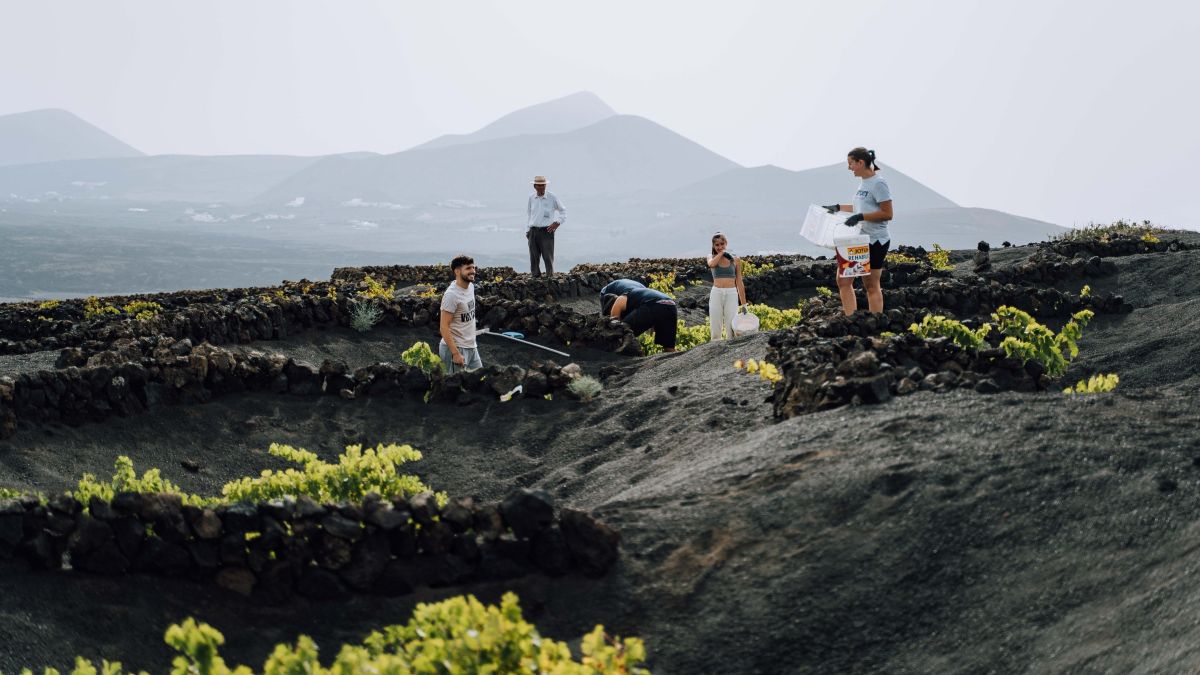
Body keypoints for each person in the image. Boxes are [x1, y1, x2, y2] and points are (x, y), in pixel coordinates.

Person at [823, 147, 894, 315]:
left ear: (861, 163)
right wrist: (838, 207)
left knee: (871, 284)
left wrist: (860, 217)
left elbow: (887, 213)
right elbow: (859, 207)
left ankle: (875, 321)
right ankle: (851, 319)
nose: (849, 168)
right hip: (859, 239)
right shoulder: (863, 183)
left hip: (876, 240)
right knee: (843, 280)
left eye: (851, 164)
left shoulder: (879, 183)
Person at [599, 279, 678, 352]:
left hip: (653, 304)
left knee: (621, 331)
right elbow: (656, 311)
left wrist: (615, 327)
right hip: (671, 305)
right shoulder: (642, 291)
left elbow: (619, 301)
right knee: (669, 348)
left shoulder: (627, 293)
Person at [438, 254, 481, 373]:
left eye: (473, 267)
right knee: (455, 388)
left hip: (472, 347)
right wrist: (455, 353)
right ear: (457, 271)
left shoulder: (470, 287)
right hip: (456, 349)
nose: (473, 271)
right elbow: (443, 327)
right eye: (468, 268)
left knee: (480, 381)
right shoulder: (451, 295)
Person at [707, 232, 747, 340]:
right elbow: (711, 264)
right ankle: (715, 351)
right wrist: (722, 253)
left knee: (731, 327)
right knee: (715, 326)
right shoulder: (711, 257)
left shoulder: (736, 260)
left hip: (731, 293)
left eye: (722, 244)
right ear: (713, 246)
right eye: (717, 245)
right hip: (716, 293)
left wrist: (744, 305)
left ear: (726, 243)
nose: (720, 247)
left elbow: (739, 282)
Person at [526, 175, 567, 277]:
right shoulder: (531, 198)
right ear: (535, 186)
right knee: (534, 257)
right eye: (539, 186)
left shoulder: (552, 197)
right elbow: (529, 214)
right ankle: (535, 277)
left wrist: (557, 222)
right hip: (533, 230)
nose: (541, 187)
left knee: (547, 257)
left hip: (546, 231)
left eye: (543, 185)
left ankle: (550, 278)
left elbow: (563, 211)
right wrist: (527, 230)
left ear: (545, 185)